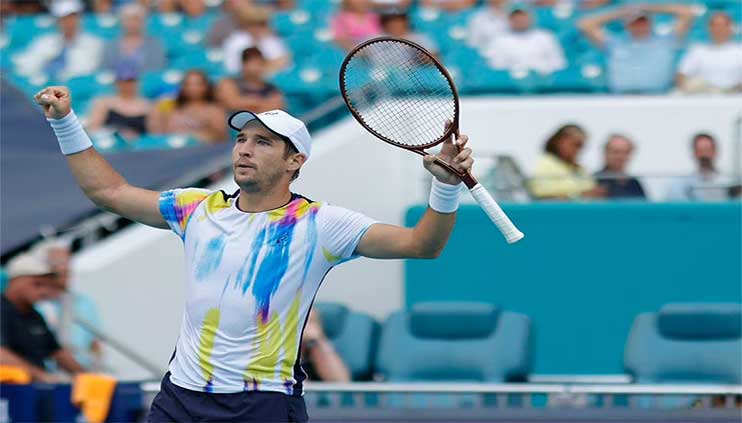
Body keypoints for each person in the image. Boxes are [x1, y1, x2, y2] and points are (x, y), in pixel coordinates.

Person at [34, 81, 473, 421]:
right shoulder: (196, 208)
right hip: (180, 398)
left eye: (263, 143)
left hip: (260, 404)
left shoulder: (323, 224)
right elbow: (108, 191)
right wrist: (65, 121)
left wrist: (446, 187)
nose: (245, 149)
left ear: (294, 161)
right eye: (242, 139)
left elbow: (423, 245)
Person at [0, 252, 86, 382]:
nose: (44, 291)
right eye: (37, 284)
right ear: (17, 281)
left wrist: (88, 377)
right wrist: (42, 376)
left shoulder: (35, 316)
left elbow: (57, 352)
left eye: (48, 285)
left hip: (31, 392)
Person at [578, 3, 695, 94]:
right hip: (622, 97)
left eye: (643, 22)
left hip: (657, 96)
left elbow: (687, 13)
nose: (640, 26)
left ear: (650, 23)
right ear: (627, 25)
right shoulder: (615, 43)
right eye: (635, 22)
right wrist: (621, 12)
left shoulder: (666, 41)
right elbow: (585, 24)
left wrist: (648, 8)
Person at [33, 239, 104, 372]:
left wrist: (96, 370)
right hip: (50, 379)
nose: (65, 268)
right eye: (58, 263)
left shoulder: (84, 302)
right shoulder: (34, 305)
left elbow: (95, 344)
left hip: (83, 377)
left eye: (67, 261)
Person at [14, 0, 104, 80]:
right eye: (63, 18)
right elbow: (26, 65)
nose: (68, 22)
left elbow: (86, 70)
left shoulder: (94, 43)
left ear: (79, 18)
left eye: (72, 17)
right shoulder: (45, 41)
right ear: (57, 21)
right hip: (46, 86)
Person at [147, 70, 228, 144]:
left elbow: (221, 137)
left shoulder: (215, 110)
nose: (193, 88)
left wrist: (194, 137)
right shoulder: (172, 108)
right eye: (188, 84)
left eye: (198, 84)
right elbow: (158, 134)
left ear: (206, 86)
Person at [529, 124, 605, 200]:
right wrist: (580, 196)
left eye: (582, 146)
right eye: (576, 144)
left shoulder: (580, 169)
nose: (579, 150)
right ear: (560, 142)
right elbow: (544, 198)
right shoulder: (544, 164)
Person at [484, 5, 566, 74]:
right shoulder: (499, 40)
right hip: (509, 86)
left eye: (523, 17)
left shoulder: (545, 37)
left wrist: (541, 70)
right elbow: (494, 64)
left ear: (530, 18)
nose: (520, 20)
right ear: (509, 19)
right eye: (516, 17)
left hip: (544, 84)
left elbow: (558, 62)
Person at [676, 12, 742, 94]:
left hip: (735, 98)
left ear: (731, 27)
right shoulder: (697, 51)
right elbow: (681, 75)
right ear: (709, 28)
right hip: (703, 99)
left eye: (723, 25)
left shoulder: (740, 51)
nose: (719, 29)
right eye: (715, 25)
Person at [87, 63, 152, 140]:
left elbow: (154, 135)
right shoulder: (104, 103)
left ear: (137, 82)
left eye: (130, 81)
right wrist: (116, 134)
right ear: (117, 83)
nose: (127, 85)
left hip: (140, 149)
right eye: (123, 81)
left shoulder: (147, 106)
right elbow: (93, 129)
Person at [222, 5, 290, 75]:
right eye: (255, 23)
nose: (258, 28)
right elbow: (232, 68)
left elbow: (284, 65)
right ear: (247, 24)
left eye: (262, 24)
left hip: (270, 81)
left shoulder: (272, 40)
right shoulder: (235, 41)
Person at [101, 3, 166, 74]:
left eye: (136, 19)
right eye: (127, 19)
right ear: (121, 22)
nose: (132, 23)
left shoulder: (155, 44)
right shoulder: (111, 44)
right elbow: (105, 69)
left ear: (144, 22)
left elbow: (157, 69)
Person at [216, 47, 285, 114]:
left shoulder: (272, 88)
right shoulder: (229, 82)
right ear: (243, 64)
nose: (254, 67)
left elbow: (277, 108)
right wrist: (262, 103)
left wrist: (246, 102)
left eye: (258, 63)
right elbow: (232, 104)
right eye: (251, 62)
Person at [666, 133, 732, 201]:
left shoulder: (729, 181)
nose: (704, 155)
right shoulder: (681, 184)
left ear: (715, 151)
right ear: (694, 153)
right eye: (700, 151)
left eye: (707, 150)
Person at [300, 309, 351, 382]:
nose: (306, 327)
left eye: (311, 322)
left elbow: (341, 381)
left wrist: (318, 341)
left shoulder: (318, 350)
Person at [594, 134, 646, 199]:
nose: (620, 157)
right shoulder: (594, 181)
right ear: (605, 153)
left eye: (626, 152)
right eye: (616, 152)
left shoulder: (634, 183)